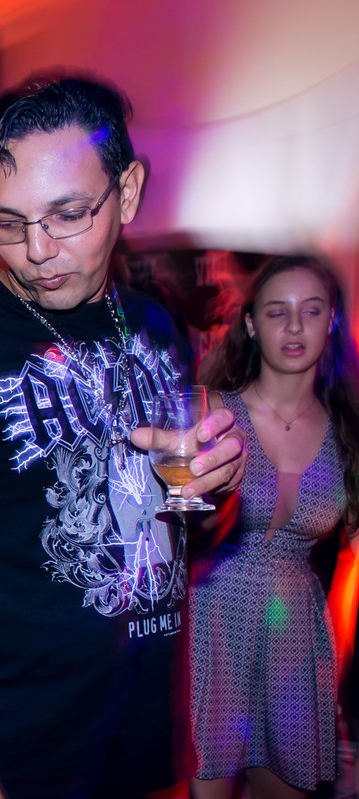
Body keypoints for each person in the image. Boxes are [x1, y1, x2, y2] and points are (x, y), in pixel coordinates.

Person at [0, 75, 246, 798]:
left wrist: (215, 486)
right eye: (8, 221)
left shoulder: (152, 324)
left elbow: (178, 525)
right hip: (12, 762)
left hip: (145, 746)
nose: (36, 250)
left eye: (67, 215)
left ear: (128, 192)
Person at [191, 255, 359, 798]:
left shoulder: (349, 434)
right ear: (250, 324)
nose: (293, 326)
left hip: (294, 642)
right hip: (211, 628)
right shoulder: (213, 414)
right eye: (276, 311)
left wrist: (331, 666)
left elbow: (354, 562)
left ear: (332, 320)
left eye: (311, 310)